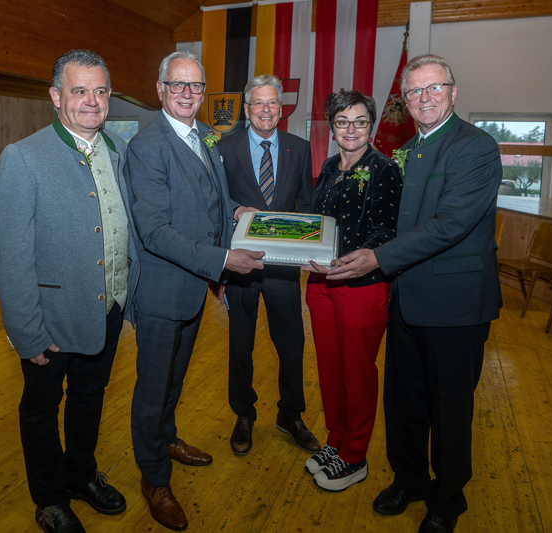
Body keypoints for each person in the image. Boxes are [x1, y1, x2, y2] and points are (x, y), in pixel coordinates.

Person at [319, 54, 502, 533]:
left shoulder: (475, 147)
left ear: (453, 91)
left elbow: (451, 224)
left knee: (449, 409)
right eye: (415, 92)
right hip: (404, 297)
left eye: (433, 88)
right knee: (405, 402)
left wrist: (377, 257)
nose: (424, 98)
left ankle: (447, 500)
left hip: (453, 304)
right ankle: (408, 479)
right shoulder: (413, 150)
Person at [0, 49, 139, 533]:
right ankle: (50, 498)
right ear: (56, 97)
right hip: (50, 319)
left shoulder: (117, 149)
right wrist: (27, 334)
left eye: (99, 91)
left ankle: (81, 475)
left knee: (89, 399)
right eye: (79, 91)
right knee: (40, 410)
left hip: (108, 308)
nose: (91, 101)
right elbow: (10, 258)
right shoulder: (24, 157)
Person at [125, 50, 264, 531]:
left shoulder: (205, 138)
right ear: (160, 90)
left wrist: (241, 215)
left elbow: (212, 207)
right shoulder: (148, 146)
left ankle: (166, 439)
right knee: (151, 390)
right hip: (162, 293)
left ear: (203, 94)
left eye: (195, 86)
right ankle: (153, 477)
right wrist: (225, 261)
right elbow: (156, 232)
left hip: (193, 290)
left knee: (174, 382)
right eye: (177, 85)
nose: (187, 93)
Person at [301, 90, 402, 491]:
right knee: (330, 368)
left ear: (370, 126)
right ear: (332, 126)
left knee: (357, 372)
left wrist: (364, 255)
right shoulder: (327, 167)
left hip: (361, 286)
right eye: (343, 121)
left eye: (360, 121)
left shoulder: (384, 169)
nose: (351, 129)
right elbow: (317, 223)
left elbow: (388, 230)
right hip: (321, 283)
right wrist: (303, 249)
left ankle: (356, 455)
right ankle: (337, 439)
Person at [218, 74, 319, 456]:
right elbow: (218, 202)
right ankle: (243, 415)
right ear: (246, 109)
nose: (265, 109)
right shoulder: (225, 148)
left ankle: (290, 415)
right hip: (241, 267)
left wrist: (310, 247)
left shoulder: (300, 148)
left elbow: (307, 207)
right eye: (258, 103)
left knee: (291, 344)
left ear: (281, 109)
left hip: (283, 268)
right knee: (241, 345)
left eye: (272, 103)